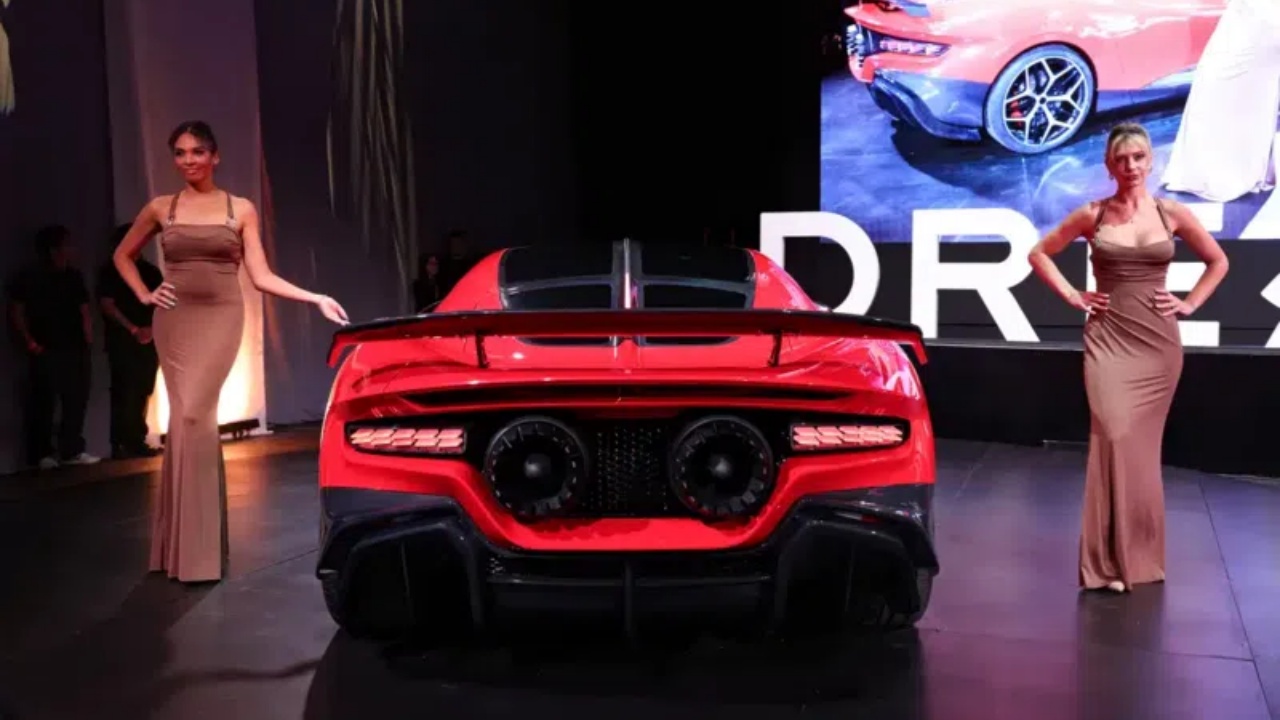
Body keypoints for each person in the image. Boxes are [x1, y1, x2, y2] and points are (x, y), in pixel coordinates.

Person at [112, 120, 350, 584]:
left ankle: (195, 552)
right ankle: (181, 549)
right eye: (180, 153)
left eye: (197, 152)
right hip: (175, 321)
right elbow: (122, 255)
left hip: (221, 319)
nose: (188, 160)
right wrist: (144, 294)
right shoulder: (162, 207)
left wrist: (315, 298)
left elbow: (261, 277)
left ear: (215, 156)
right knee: (185, 422)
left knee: (195, 416)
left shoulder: (239, 209)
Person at [1028, 123, 1229, 593]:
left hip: (1158, 347)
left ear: (1150, 161)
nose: (1131, 166)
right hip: (1109, 342)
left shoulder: (1170, 213)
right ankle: (1105, 564)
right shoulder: (1093, 215)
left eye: (1138, 157)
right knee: (1113, 437)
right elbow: (1039, 253)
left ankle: (1136, 561)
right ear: (1109, 166)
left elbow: (1218, 261)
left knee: (1141, 452)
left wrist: (1190, 303)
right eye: (1121, 159)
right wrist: (1073, 295)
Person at [6, 225, 100, 470]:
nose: (72, 249)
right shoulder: (28, 276)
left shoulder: (73, 276)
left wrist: (87, 338)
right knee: (43, 401)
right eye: (67, 245)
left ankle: (71, 450)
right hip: (45, 346)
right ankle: (41, 454)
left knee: (76, 400)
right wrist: (29, 340)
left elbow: (83, 309)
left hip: (75, 346)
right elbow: (17, 310)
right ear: (53, 249)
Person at [97, 222, 165, 459]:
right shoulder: (110, 271)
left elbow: (163, 303)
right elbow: (107, 305)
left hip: (149, 338)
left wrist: (152, 330)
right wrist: (133, 329)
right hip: (122, 339)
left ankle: (136, 439)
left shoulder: (150, 271)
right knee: (124, 388)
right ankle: (121, 442)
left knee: (143, 388)